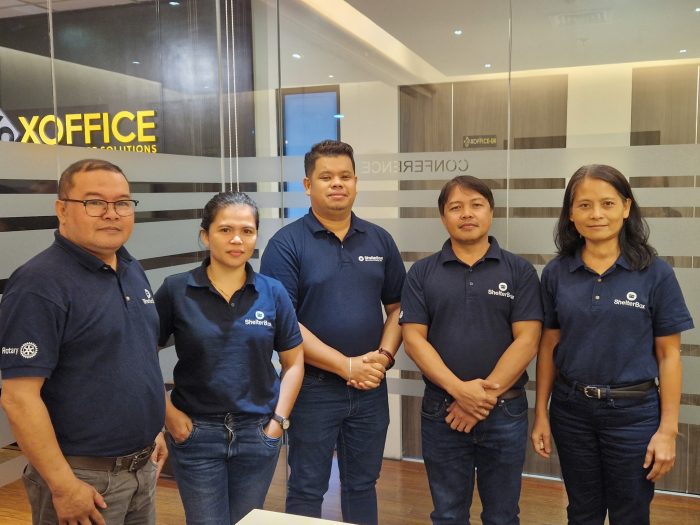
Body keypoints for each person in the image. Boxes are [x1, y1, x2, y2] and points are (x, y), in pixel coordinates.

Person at [0, 158, 168, 525]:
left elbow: (134, 356)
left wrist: (151, 430)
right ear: (62, 209)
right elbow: (18, 397)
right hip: (83, 479)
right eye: (95, 202)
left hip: (140, 470)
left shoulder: (130, 268)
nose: (112, 214)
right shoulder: (39, 285)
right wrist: (62, 486)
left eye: (122, 202)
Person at [530, 164, 694, 525]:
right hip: (572, 411)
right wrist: (541, 412)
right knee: (581, 511)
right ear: (571, 214)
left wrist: (667, 430)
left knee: (630, 513)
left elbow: (669, 356)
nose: (596, 214)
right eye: (584, 205)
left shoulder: (655, 273)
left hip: (634, 415)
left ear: (626, 207)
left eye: (607, 203)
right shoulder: (557, 273)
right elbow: (548, 348)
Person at [260, 139, 405, 525]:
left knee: (362, 484)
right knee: (307, 487)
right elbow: (284, 322)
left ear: (356, 182)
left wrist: (382, 359)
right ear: (308, 185)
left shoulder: (379, 240)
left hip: (369, 388)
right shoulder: (286, 244)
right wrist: (345, 366)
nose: (336, 184)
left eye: (345, 176)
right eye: (326, 177)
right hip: (312, 388)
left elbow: (398, 309)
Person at [155, 191, 304, 525]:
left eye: (247, 231)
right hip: (195, 433)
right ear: (205, 235)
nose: (237, 239)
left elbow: (294, 363)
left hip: (257, 433)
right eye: (225, 230)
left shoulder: (272, 292)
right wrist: (169, 415)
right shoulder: (176, 289)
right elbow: (142, 356)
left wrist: (277, 424)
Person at [401, 175, 543, 525]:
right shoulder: (421, 273)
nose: (467, 213)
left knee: (503, 514)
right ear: (443, 217)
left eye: (476, 205)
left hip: (505, 411)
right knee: (448, 514)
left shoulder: (519, 271)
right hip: (442, 410)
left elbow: (528, 339)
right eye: (456, 207)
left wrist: (480, 398)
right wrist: (458, 390)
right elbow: (414, 338)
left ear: (491, 212)